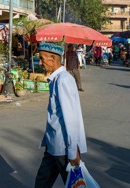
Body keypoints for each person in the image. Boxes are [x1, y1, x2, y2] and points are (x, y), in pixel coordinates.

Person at [34, 42, 87, 187]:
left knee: (73, 183)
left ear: (52, 58)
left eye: (42, 58)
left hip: (62, 147)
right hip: (52, 144)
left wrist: (72, 151)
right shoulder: (56, 79)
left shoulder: (63, 80)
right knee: (41, 182)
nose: (40, 62)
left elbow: (71, 118)